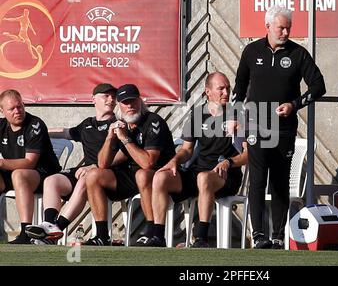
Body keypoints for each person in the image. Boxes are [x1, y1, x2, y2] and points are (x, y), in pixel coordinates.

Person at [232, 5, 326, 249]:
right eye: (280, 27)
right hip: (256, 125)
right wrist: (234, 115)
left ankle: (277, 236)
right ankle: (259, 235)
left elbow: (318, 87)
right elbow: (240, 85)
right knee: (258, 180)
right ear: (268, 27)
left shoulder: (298, 54)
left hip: (284, 129)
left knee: (280, 182)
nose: (285, 32)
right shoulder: (251, 51)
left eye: (288, 28)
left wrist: (294, 105)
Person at [151, 72, 248, 248]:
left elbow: (248, 155)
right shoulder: (197, 114)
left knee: (204, 178)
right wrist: (174, 161)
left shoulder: (238, 115)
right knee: (160, 177)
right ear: (208, 92)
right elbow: (187, 150)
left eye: (228, 88)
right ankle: (158, 236)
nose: (226, 92)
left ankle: (201, 238)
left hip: (226, 175)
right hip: (198, 172)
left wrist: (229, 162)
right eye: (221, 88)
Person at [24, 83, 117, 244]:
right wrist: (38, 133)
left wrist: (94, 166)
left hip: (107, 175)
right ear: (93, 99)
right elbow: (66, 132)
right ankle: (49, 223)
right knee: (51, 180)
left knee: (84, 179)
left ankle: (56, 229)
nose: (111, 99)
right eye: (106, 96)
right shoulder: (87, 124)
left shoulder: (118, 125)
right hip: (85, 171)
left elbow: (122, 156)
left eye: (113, 96)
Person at [84, 84, 175, 246]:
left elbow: (148, 163)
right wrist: (110, 138)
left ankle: (151, 232)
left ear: (140, 101)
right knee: (93, 175)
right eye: (125, 103)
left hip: (160, 175)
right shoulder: (121, 124)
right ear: (119, 105)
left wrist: (125, 139)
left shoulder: (153, 121)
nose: (130, 106)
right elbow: (103, 164)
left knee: (142, 174)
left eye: (133, 101)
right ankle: (102, 236)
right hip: (131, 175)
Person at [0, 89, 61, 244]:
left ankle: (26, 232)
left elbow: (30, 163)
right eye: (11, 109)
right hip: (15, 173)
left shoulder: (35, 124)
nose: (17, 111)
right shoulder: (1, 127)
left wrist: (1, 163)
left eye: (20, 106)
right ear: (2, 111)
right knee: (16, 174)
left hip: (43, 174)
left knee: (19, 174)